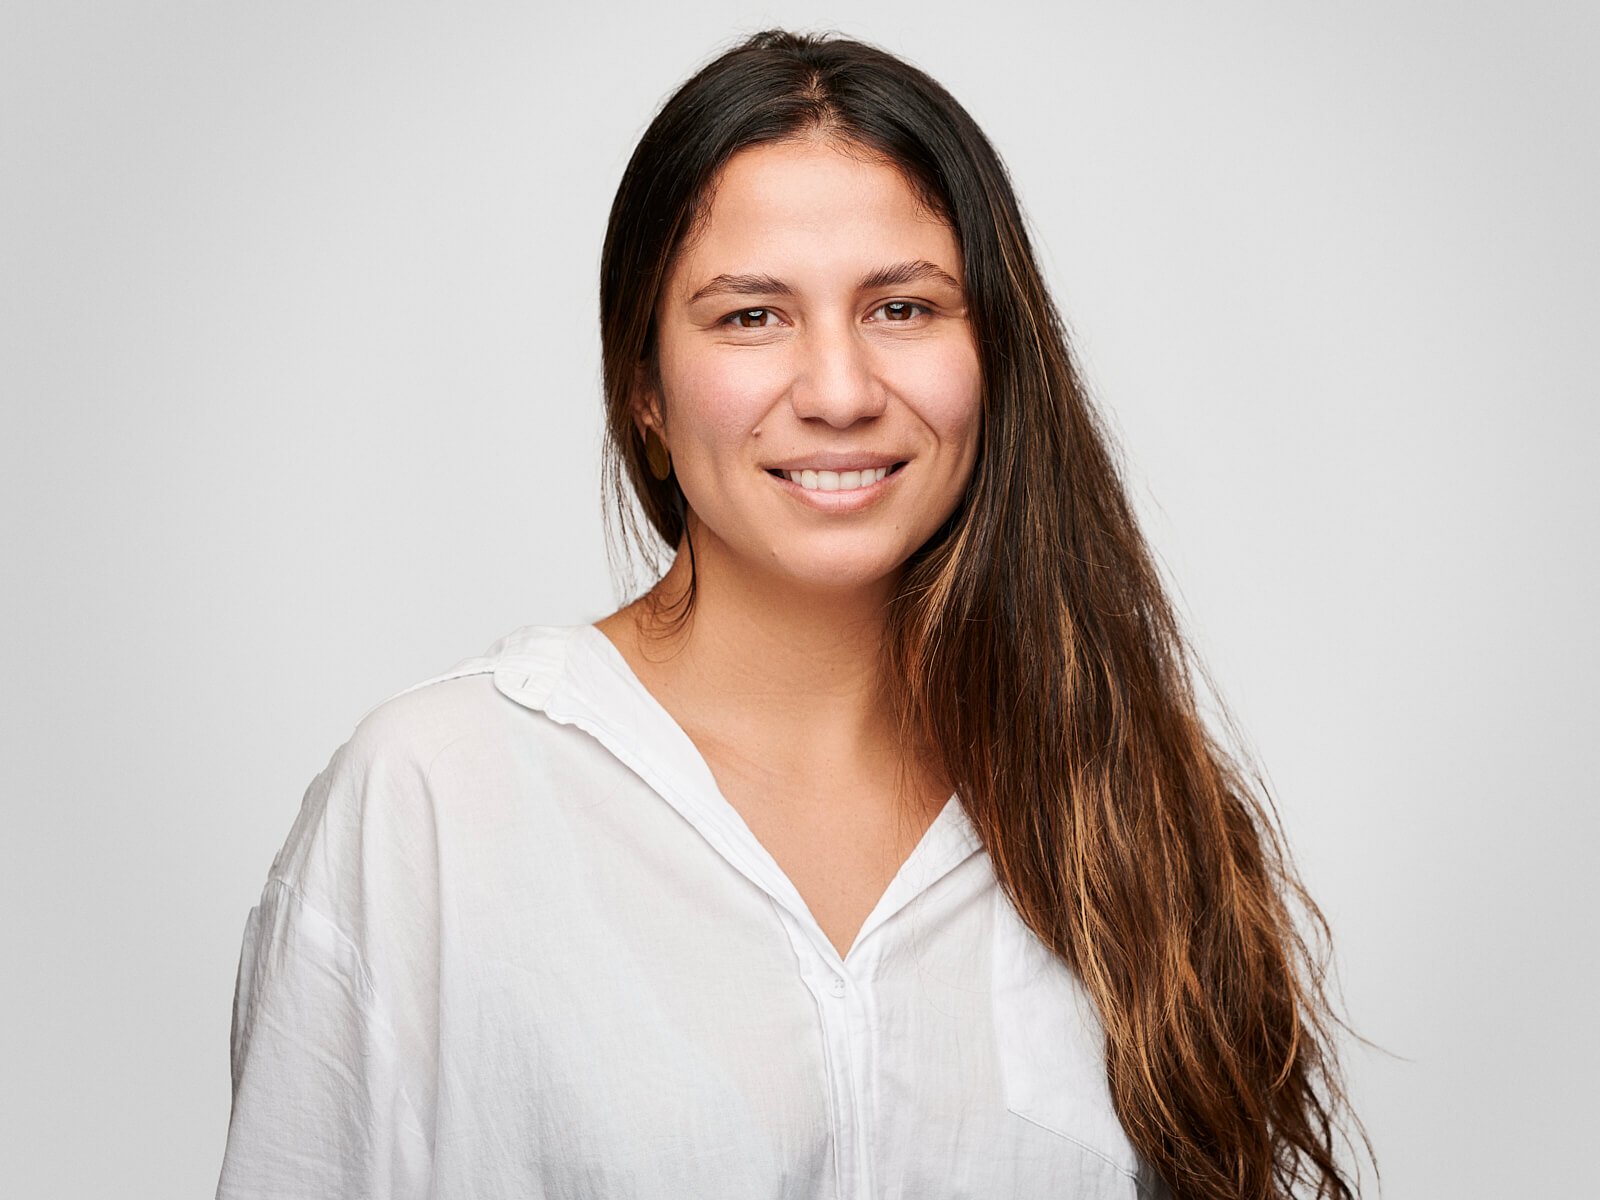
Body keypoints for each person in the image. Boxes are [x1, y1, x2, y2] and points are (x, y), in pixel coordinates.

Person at [215, 29, 1364, 1200]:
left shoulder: (1127, 802)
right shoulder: (439, 798)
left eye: (903, 309)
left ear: (995, 355)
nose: (839, 392)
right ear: (644, 390)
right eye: (751, 317)